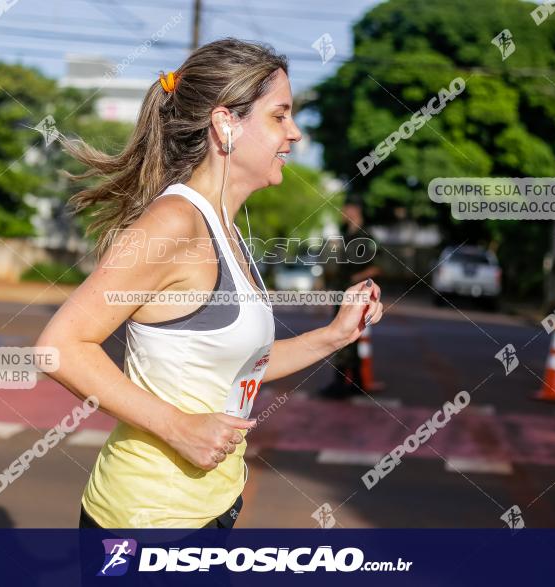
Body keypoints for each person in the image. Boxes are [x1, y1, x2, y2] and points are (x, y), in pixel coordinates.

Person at [36, 38, 384, 529]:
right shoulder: (174, 223)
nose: (295, 134)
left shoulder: (224, 225)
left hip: (210, 513)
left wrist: (334, 335)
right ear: (226, 124)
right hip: (147, 522)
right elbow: (61, 346)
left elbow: (237, 367)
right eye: (279, 116)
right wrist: (178, 428)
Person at [320, 201, 383, 399]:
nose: (343, 213)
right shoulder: (347, 236)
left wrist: (356, 280)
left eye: (346, 209)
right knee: (346, 337)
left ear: (355, 210)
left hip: (356, 294)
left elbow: (378, 266)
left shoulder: (365, 237)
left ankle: (346, 384)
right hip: (342, 293)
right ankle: (353, 382)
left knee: (348, 337)